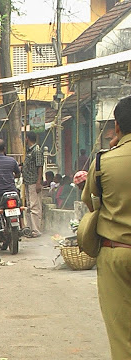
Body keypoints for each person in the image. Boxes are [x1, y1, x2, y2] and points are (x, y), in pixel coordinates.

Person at [81, 95, 131, 359]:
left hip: (116, 252)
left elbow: (92, 205)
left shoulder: (102, 162)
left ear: (117, 126)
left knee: (122, 336)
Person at [22, 131, 44, 238]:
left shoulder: (37, 150)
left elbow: (39, 166)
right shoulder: (29, 151)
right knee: (29, 206)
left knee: (35, 206)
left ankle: (36, 230)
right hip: (27, 181)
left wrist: (38, 182)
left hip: (34, 182)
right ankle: (30, 229)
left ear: (27, 139)